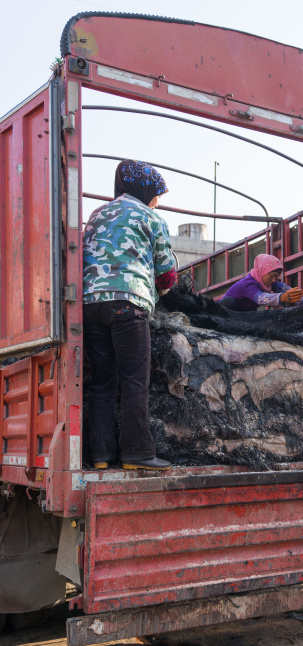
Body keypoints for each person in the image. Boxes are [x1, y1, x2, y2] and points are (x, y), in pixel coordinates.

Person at [83, 159, 177, 471]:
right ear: (146, 190)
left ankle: (100, 455)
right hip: (128, 303)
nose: (158, 201)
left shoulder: (97, 214)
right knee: (135, 379)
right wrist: (163, 293)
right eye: (157, 194)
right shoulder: (150, 216)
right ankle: (137, 452)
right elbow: (166, 273)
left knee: (102, 382)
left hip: (89, 304)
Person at [220, 254, 303, 311]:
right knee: (227, 302)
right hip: (226, 311)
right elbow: (261, 299)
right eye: (272, 276)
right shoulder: (248, 284)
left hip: (244, 313)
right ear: (262, 271)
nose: (274, 280)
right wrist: (282, 298)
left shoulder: (268, 282)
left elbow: (284, 288)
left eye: (276, 277)